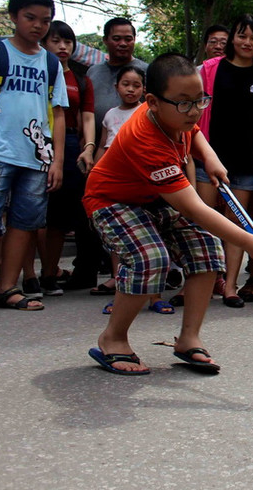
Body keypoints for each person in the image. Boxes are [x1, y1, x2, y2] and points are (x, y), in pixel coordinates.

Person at [83, 52, 253, 374]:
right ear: (153, 102)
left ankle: (189, 339)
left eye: (201, 100)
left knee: (207, 249)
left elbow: (195, 131)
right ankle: (113, 338)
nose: (195, 110)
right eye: (185, 103)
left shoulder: (178, 114)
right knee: (150, 258)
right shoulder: (145, 139)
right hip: (112, 201)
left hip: (153, 199)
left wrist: (210, 158)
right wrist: (251, 240)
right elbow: (195, 208)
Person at [0, 0, 67, 311]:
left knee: (24, 224)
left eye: (45, 20)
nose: (38, 25)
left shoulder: (51, 64)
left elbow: (57, 114)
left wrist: (57, 162)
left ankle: (8, 288)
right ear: (13, 17)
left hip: (37, 158)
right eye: (30, 17)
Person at [196, 14, 253, 307]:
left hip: (246, 164)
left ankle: (230, 286)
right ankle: (200, 284)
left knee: (236, 224)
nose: (247, 42)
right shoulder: (209, 69)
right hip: (207, 157)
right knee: (202, 220)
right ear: (233, 37)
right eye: (242, 35)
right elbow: (193, 111)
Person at [73, 17, 148, 291]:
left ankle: (143, 278)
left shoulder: (145, 71)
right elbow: (89, 114)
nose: (123, 43)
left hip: (139, 168)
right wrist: (89, 149)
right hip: (102, 156)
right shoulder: (93, 72)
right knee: (97, 216)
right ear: (106, 40)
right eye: (117, 38)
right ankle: (93, 272)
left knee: (137, 222)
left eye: (128, 38)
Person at [93, 66, 171, 315]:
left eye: (136, 85)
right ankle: (121, 295)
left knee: (154, 242)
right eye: (126, 84)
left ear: (145, 90)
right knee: (122, 248)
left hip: (147, 183)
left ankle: (155, 296)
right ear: (116, 87)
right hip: (116, 185)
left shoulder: (148, 111)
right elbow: (105, 146)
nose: (130, 89)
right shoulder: (110, 115)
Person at [34, 20, 97, 297]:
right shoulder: (37, 72)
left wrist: (89, 146)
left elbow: (87, 115)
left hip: (72, 146)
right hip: (35, 142)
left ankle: (64, 274)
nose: (62, 47)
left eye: (67, 42)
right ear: (44, 43)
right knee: (39, 215)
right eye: (55, 41)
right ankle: (36, 275)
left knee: (71, 214)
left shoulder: (81, 80)